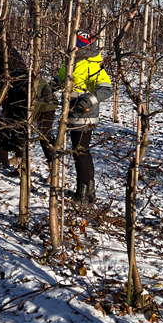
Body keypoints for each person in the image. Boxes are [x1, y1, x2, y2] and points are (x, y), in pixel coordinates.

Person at [57, 31, 112, 206]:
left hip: (85, 114)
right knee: (80, 152)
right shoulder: (71, 60)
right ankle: (89, 191)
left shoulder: (93, 64)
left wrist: (87, 101)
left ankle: (83, 194)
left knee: (80, 152)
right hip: (71, 112)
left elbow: (106, 89)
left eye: (74, 43)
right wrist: (48, 88)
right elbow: (60, 79)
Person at [0, 26, 28, 176]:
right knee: (2, 125)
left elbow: (7, 78)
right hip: (11, 97)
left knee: (17, 129)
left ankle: (21, 165)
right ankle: (2, 157)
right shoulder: (3, 55)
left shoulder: (10, 56)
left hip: (20, 98)